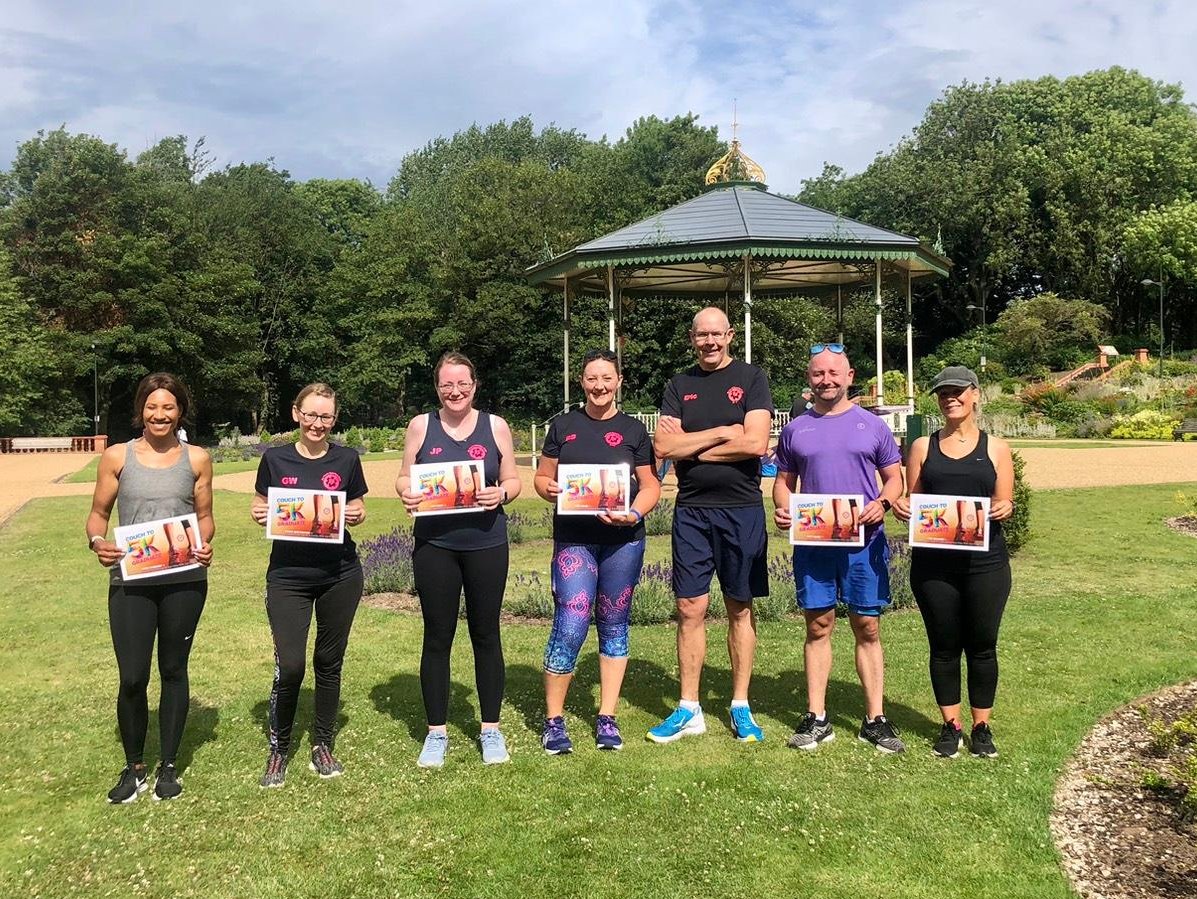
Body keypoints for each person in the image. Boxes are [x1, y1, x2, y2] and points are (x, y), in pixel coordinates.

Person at [86, 372, 215, 802]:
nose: (160, 415)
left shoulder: (197, 458)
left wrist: (205, 544)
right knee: (133, 676)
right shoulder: (117, 457)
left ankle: (170, 766)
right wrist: (97, 542)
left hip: (183, 579)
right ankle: (134, 766)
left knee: (174, 670)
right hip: (131, 581)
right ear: (141, 409)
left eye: (169, 407)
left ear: (180, 411)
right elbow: (98, 515)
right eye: (152, 407)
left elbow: (205, 517)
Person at [647, 307, 773, 744]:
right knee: (690, 608)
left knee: (739, 606)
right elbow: (664, 446)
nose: (710, 342)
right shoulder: (678, 385)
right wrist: (724, 431)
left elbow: (756, 443)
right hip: (692, 511)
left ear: (730, 335)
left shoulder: (753, 379)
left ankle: (740, 705)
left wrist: (692, 448)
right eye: (702, 336)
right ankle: (689, 708)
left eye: (717, 334)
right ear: (692, 338)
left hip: (741, 510)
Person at [773, 344, 906, 753]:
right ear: (809, 380)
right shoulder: (796, 429)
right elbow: (783, 481)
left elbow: (895, 480)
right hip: (815, 543)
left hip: (864, 543)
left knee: (867, 626)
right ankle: (817, 718)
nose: (826, 380)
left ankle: (875, 719)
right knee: (818, 625)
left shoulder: (874, 427)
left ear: (850, 378)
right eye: (818, 374)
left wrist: (881, 505)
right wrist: (783, 506)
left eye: (834, 373)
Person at [397, 352, 522, 768]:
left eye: (462, 384)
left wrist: (501, 493)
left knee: (486, 634)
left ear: (475, 385)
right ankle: (436, 733)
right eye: (447, 384)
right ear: (437, 388)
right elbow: (403, 475)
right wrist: (406, 491)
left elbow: (513, 479)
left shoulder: (495, 426)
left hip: (486, 542)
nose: (455, 391)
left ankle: (490, 729)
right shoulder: (420, 426)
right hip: (435, 545)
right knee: (437, 636)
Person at [533, 349, 661, 753]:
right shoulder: (563, 426)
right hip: (574, 539)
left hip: (624, 541)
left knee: (614, 624)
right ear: (582, 382)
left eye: (607, 378)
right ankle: (553, 720)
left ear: (619, 381)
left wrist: (635, 512)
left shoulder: (634, 431)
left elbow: (652, 484)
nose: (599, 386)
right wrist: (546, 488)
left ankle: (607, 716)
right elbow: (542, 476)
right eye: (592, 378)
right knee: (570, 621)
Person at [893, 366, 1014, 758]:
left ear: (975, 395)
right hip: (934, 566)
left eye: (958, 391)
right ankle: (951, 725)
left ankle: (981, 727)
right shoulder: (922, 448)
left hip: (986, 565)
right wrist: (904, 507)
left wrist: (1005, 508)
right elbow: (915, 499)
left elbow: (1004, 500)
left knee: (983, 646)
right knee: (943, 647)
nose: (950, 398)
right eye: (943, 393)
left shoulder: (996, 448)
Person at [251, 383, 368, 787]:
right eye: (312, 414)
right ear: (296, 413)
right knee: (292, 665)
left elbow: (357, 505)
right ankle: (279, 749)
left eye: (326, 416)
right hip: (288, 576)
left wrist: (355, 512)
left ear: (334, 419)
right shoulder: (275, 459)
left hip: (340, 574)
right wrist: (258, 510)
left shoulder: (348, 459)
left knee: (328, 663)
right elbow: (260, 503)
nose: (318, 423)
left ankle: (322, 743)